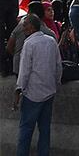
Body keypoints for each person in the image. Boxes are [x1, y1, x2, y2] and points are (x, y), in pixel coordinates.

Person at [14, 10, 60, 156]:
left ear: (32, 27)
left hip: (32, 93)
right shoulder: (51, 41)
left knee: (26, 129)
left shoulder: (29, 44)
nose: (23, 27)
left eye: (25, 25)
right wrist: (55, 85)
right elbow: (58, 66)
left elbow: (25, 71)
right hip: (49, 91)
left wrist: (19, 90)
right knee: (45, 129)